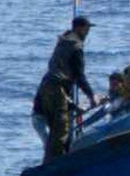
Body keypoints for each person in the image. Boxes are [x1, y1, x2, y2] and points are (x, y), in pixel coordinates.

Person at [33, 15, 96, 160]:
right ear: (79, 28)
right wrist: (91, 95)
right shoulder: (76, 46)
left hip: (46, 87)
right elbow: (79, 75)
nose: (87, 33)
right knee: (61, 130)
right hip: (57, 88)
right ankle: (54, 163)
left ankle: (52, 159)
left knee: (55, 128)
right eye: (86, 29)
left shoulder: (63, 41)